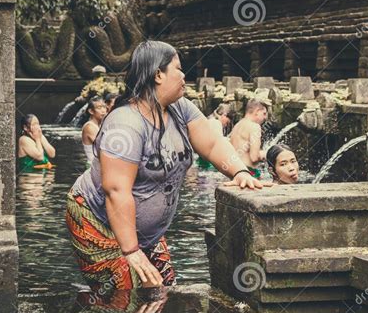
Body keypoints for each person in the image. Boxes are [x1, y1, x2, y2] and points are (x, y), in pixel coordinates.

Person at [67, 40, 272, 290]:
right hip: (98, 220)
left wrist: (240, 171)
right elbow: (116, 191)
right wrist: (131, 250)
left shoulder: (179, 107)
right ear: (158, 75)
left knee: (164, 291)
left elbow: (212, 145)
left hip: (147, 232)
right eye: (178, 68)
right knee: (124, 297)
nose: (184, 75)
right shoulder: (125, 124)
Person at [229, 98, 270, 178]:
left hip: (235, 170)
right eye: (264, 113)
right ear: (257, 111)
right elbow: (254, 157)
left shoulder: (237, 126)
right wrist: (267, 154)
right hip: (249, 172)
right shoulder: (255, 127)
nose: (265, 118)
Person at [197, 103, 234, 170]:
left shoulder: (211, 120)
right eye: (227, 122)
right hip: (207, 159)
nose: (226, 125)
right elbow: (218, 143)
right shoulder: (216, 123)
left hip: (202, 157)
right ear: (224, 115)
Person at [81, 96, 107, 167]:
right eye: (99, 108)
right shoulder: (89, 127)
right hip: (92, 166)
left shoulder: (100, 125)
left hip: (99, 165)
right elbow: (104, 146)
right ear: (91, 111)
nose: (103, 110)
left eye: (104, 107)